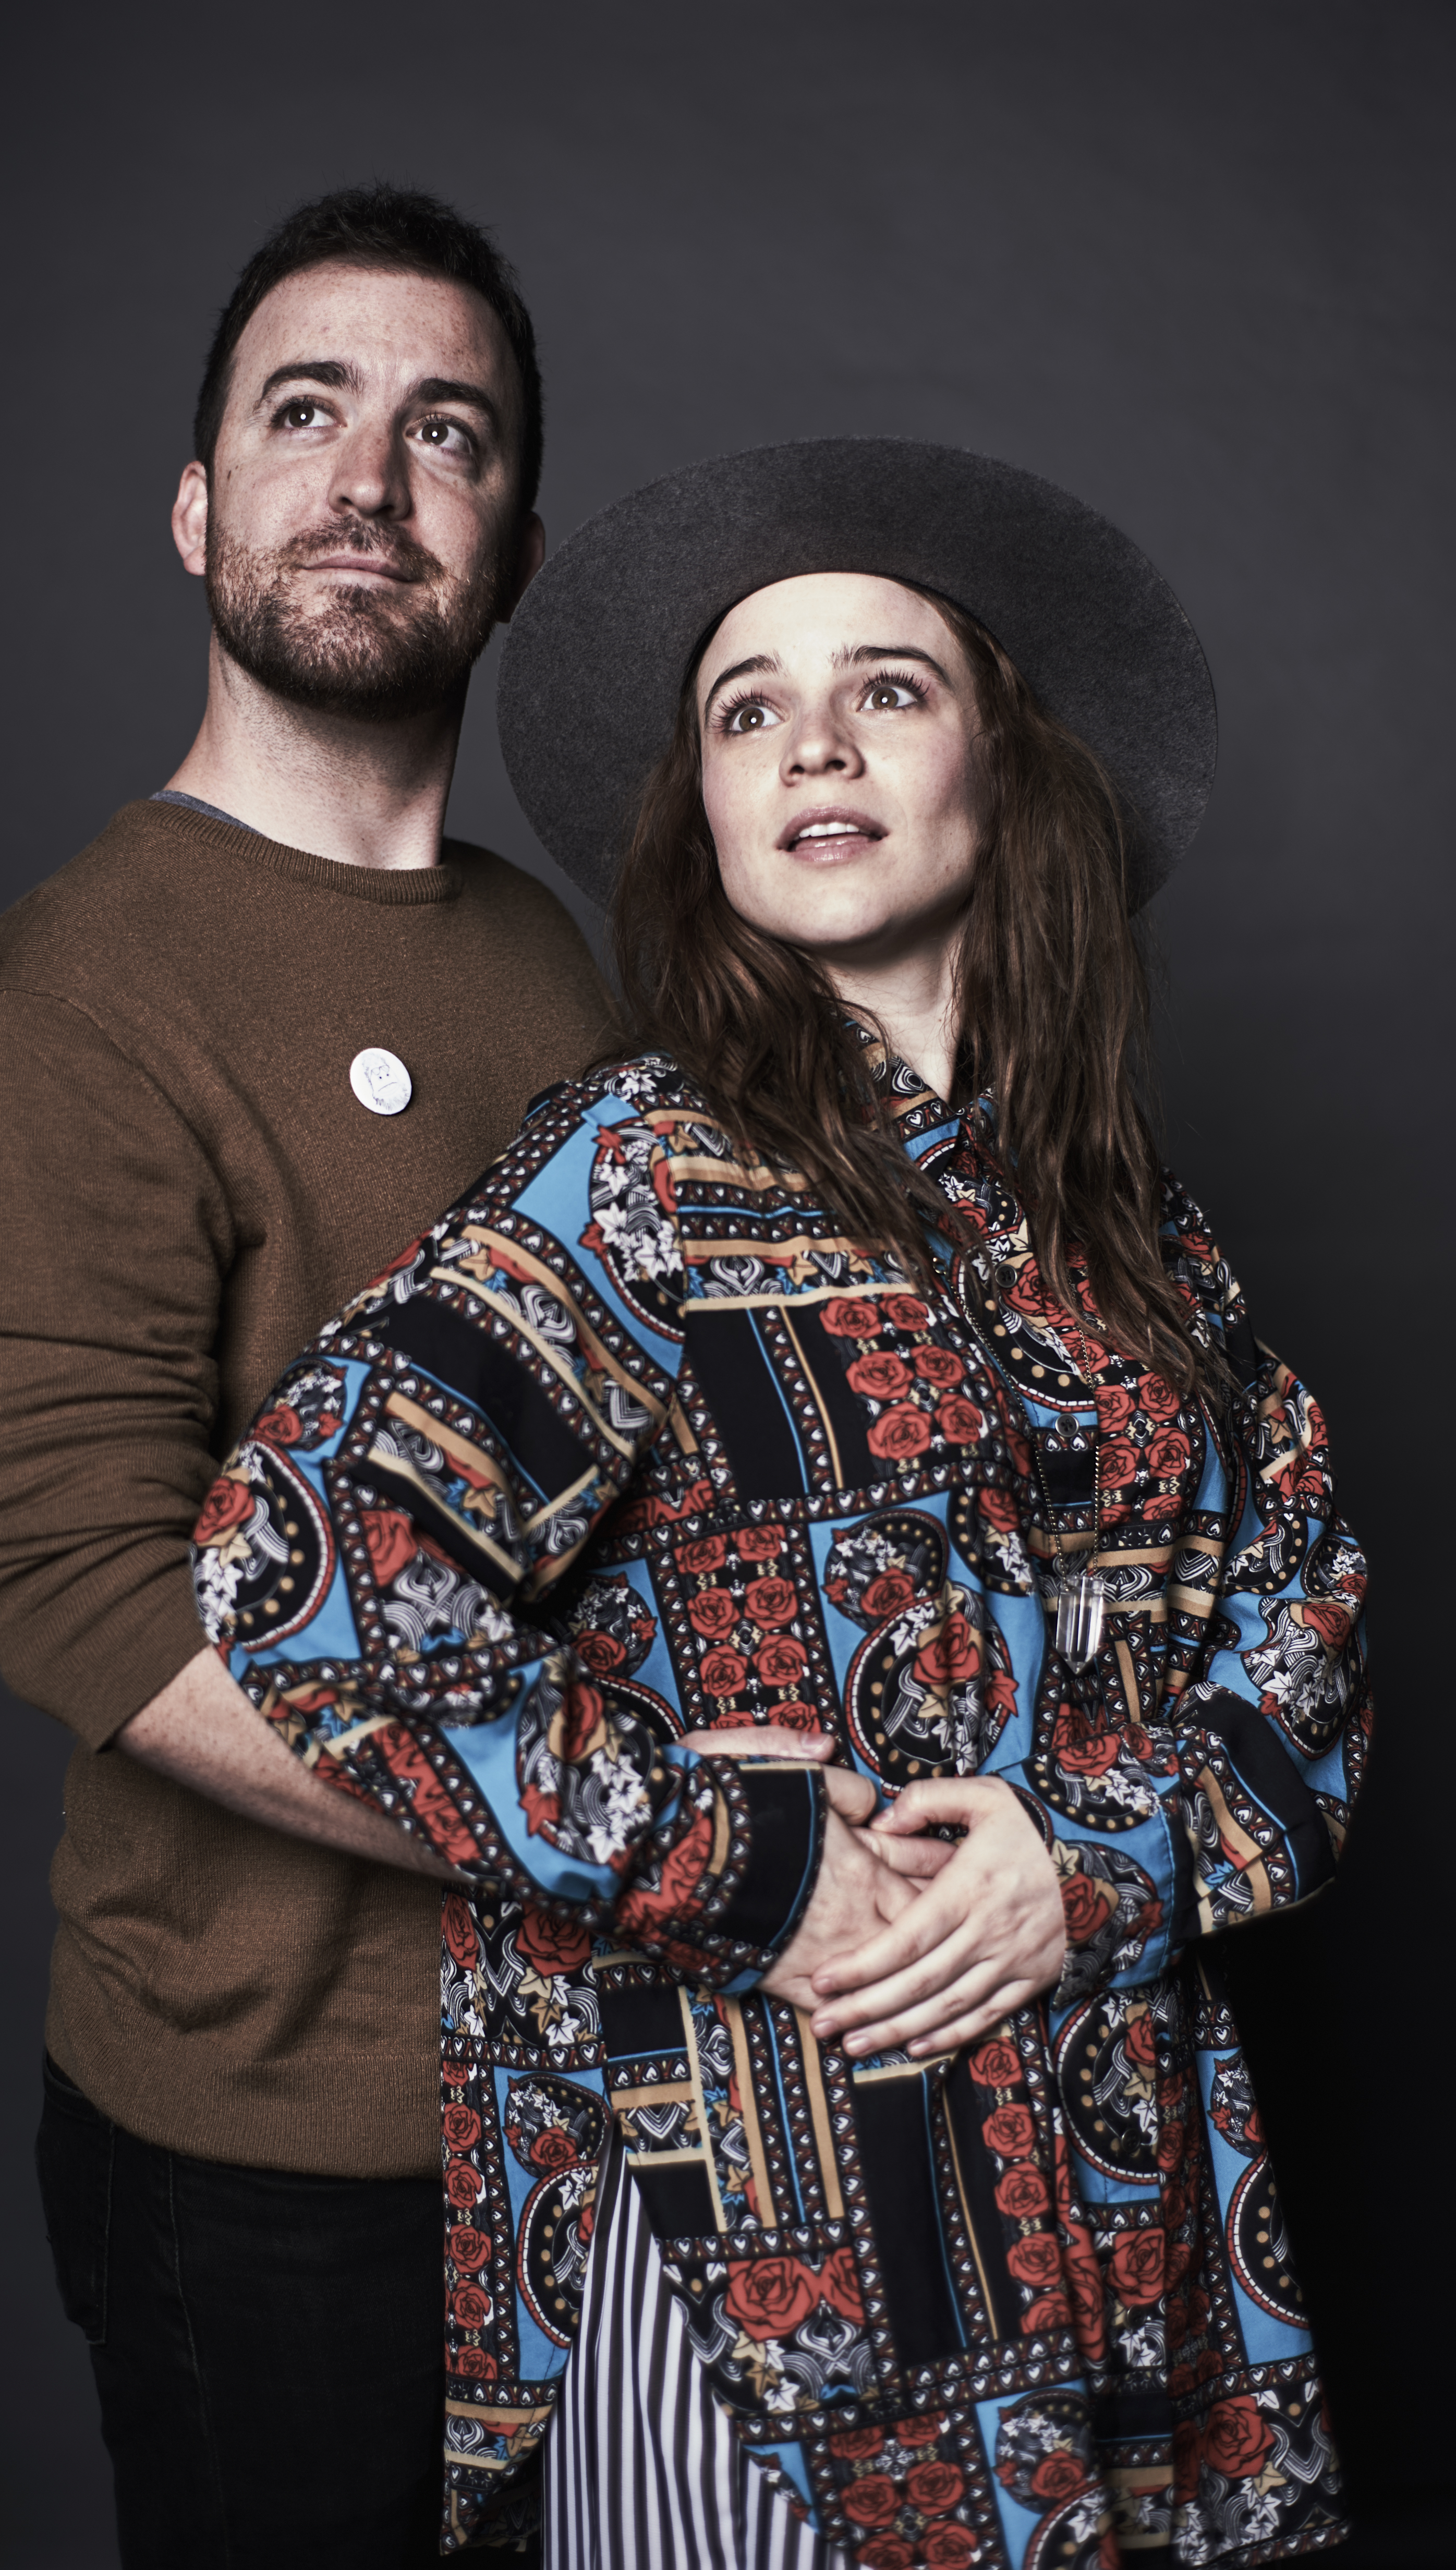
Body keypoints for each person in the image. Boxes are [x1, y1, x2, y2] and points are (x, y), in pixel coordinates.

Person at [192, 440, 1368, 2567]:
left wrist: (1086, 1857)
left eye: (886, 688)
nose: (812, 740)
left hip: (1121, 2219)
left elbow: (1308, 1659)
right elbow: (303, 1559)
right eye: (748, 708)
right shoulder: (641, 1181)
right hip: (774, 2227)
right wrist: (723, 1845)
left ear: (1007, 767)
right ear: (708, 811)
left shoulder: (1134, 1241)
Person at [0, 185, 615, 2567]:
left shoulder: (570, 970)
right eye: (303, 411)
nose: (371, 475)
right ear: (201, 504)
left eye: (450, 431)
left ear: (511, 544)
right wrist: (643, 1840)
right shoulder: (82, 987)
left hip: (608, 2117)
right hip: (271, 2157)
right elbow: (89, 1601)